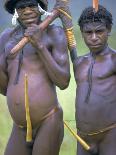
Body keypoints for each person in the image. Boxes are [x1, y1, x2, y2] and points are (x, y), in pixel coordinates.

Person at [0, 0, 70, 155]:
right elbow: (5, 89)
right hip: (19, 125)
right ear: (15, 12)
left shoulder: (54, 33)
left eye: (32, 5)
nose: (27, 11)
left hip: (48, 119)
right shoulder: (6, 37)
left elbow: (63, 81)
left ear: (41, 8)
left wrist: (39, 45)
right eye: (21, 7)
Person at [74, 5, 116, 155]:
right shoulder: (79, 63)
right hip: (82, 137)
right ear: (82, 33)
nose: (93, 37)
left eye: (99, 31)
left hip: (110, 135)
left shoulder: (114, 59)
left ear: (109, 29)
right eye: (88, 32)